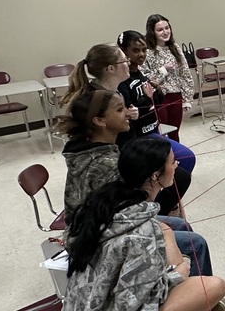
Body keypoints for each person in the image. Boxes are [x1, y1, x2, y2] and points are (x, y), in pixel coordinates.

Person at [63, 138, 225, 311]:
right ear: (155, 176)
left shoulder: (105, 201)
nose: (177, 165)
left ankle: (193, 309)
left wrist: (166, 235)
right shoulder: (142, 232)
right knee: (215, 286)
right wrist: (176, 275)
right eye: (172, 162)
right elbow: (135, 306)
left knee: (180, 242)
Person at [55, 89, 213, 277]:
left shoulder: (94, 149)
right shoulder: (104, 164)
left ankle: (197, 290)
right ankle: (194, 297)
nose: (129, 113)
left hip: (105, 224)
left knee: (181, 225)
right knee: (196, 243)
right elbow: (123, 217)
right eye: (120, 110)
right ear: (99, 121)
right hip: (97, 238)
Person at [63, 41, 193, 217]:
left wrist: (139, 110)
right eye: (124, 60)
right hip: (124, 151)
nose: (129, 63)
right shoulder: (96, 100)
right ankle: (159, 213)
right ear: (110, 68)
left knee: (178, 167)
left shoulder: (117, 90)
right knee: (177, 176)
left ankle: (166, 210)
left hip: (130, 142)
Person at [119, 30, 197, 174]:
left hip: (153, 131)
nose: (141, 54)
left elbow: (152, 103)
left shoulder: (140, 73)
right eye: (135, 51)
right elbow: (132, 112)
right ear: (123, 52)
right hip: (140, 138)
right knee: (180, 161)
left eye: (143, 50)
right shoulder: (123, 80)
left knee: (184, 161)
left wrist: (158, 92)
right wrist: (146, 99)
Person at [144, 14, 195, 143]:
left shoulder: (175, 48)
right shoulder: (147, 51)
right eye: (160, 30)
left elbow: (185, 73)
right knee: (162, 134)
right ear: (152, 32)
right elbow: (145, 77)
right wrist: (163, 70)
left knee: (174, 132)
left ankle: (175, 161)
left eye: (167, 28)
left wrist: (187, 98)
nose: (165, 32)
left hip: (176, 95)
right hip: (160, 98)